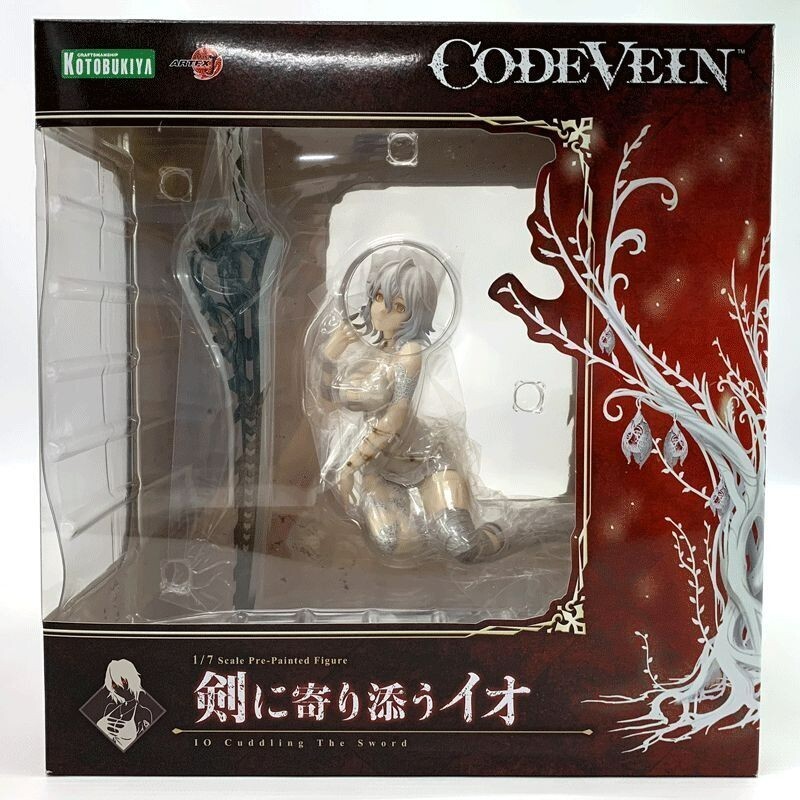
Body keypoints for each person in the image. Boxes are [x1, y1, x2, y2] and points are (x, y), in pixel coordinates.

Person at [312, 246, 504, 563]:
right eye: (378, 298)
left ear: (416, 314)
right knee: (391, 544)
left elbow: (395, 417)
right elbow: (328, 401)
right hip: (380, 467)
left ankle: (505, 531)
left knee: (462, 546)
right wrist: (329, 355)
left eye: (398, 306)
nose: (382, 311)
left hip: (423, 457)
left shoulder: (409, 354)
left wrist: (348, 467)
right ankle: (424, 537)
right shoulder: (365, 353)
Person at [96, 659, 153, 751]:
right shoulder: (110, 708)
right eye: (112, 682)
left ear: (128, 679)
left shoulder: (143, 713)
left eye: (117, 680)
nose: (113, 686)